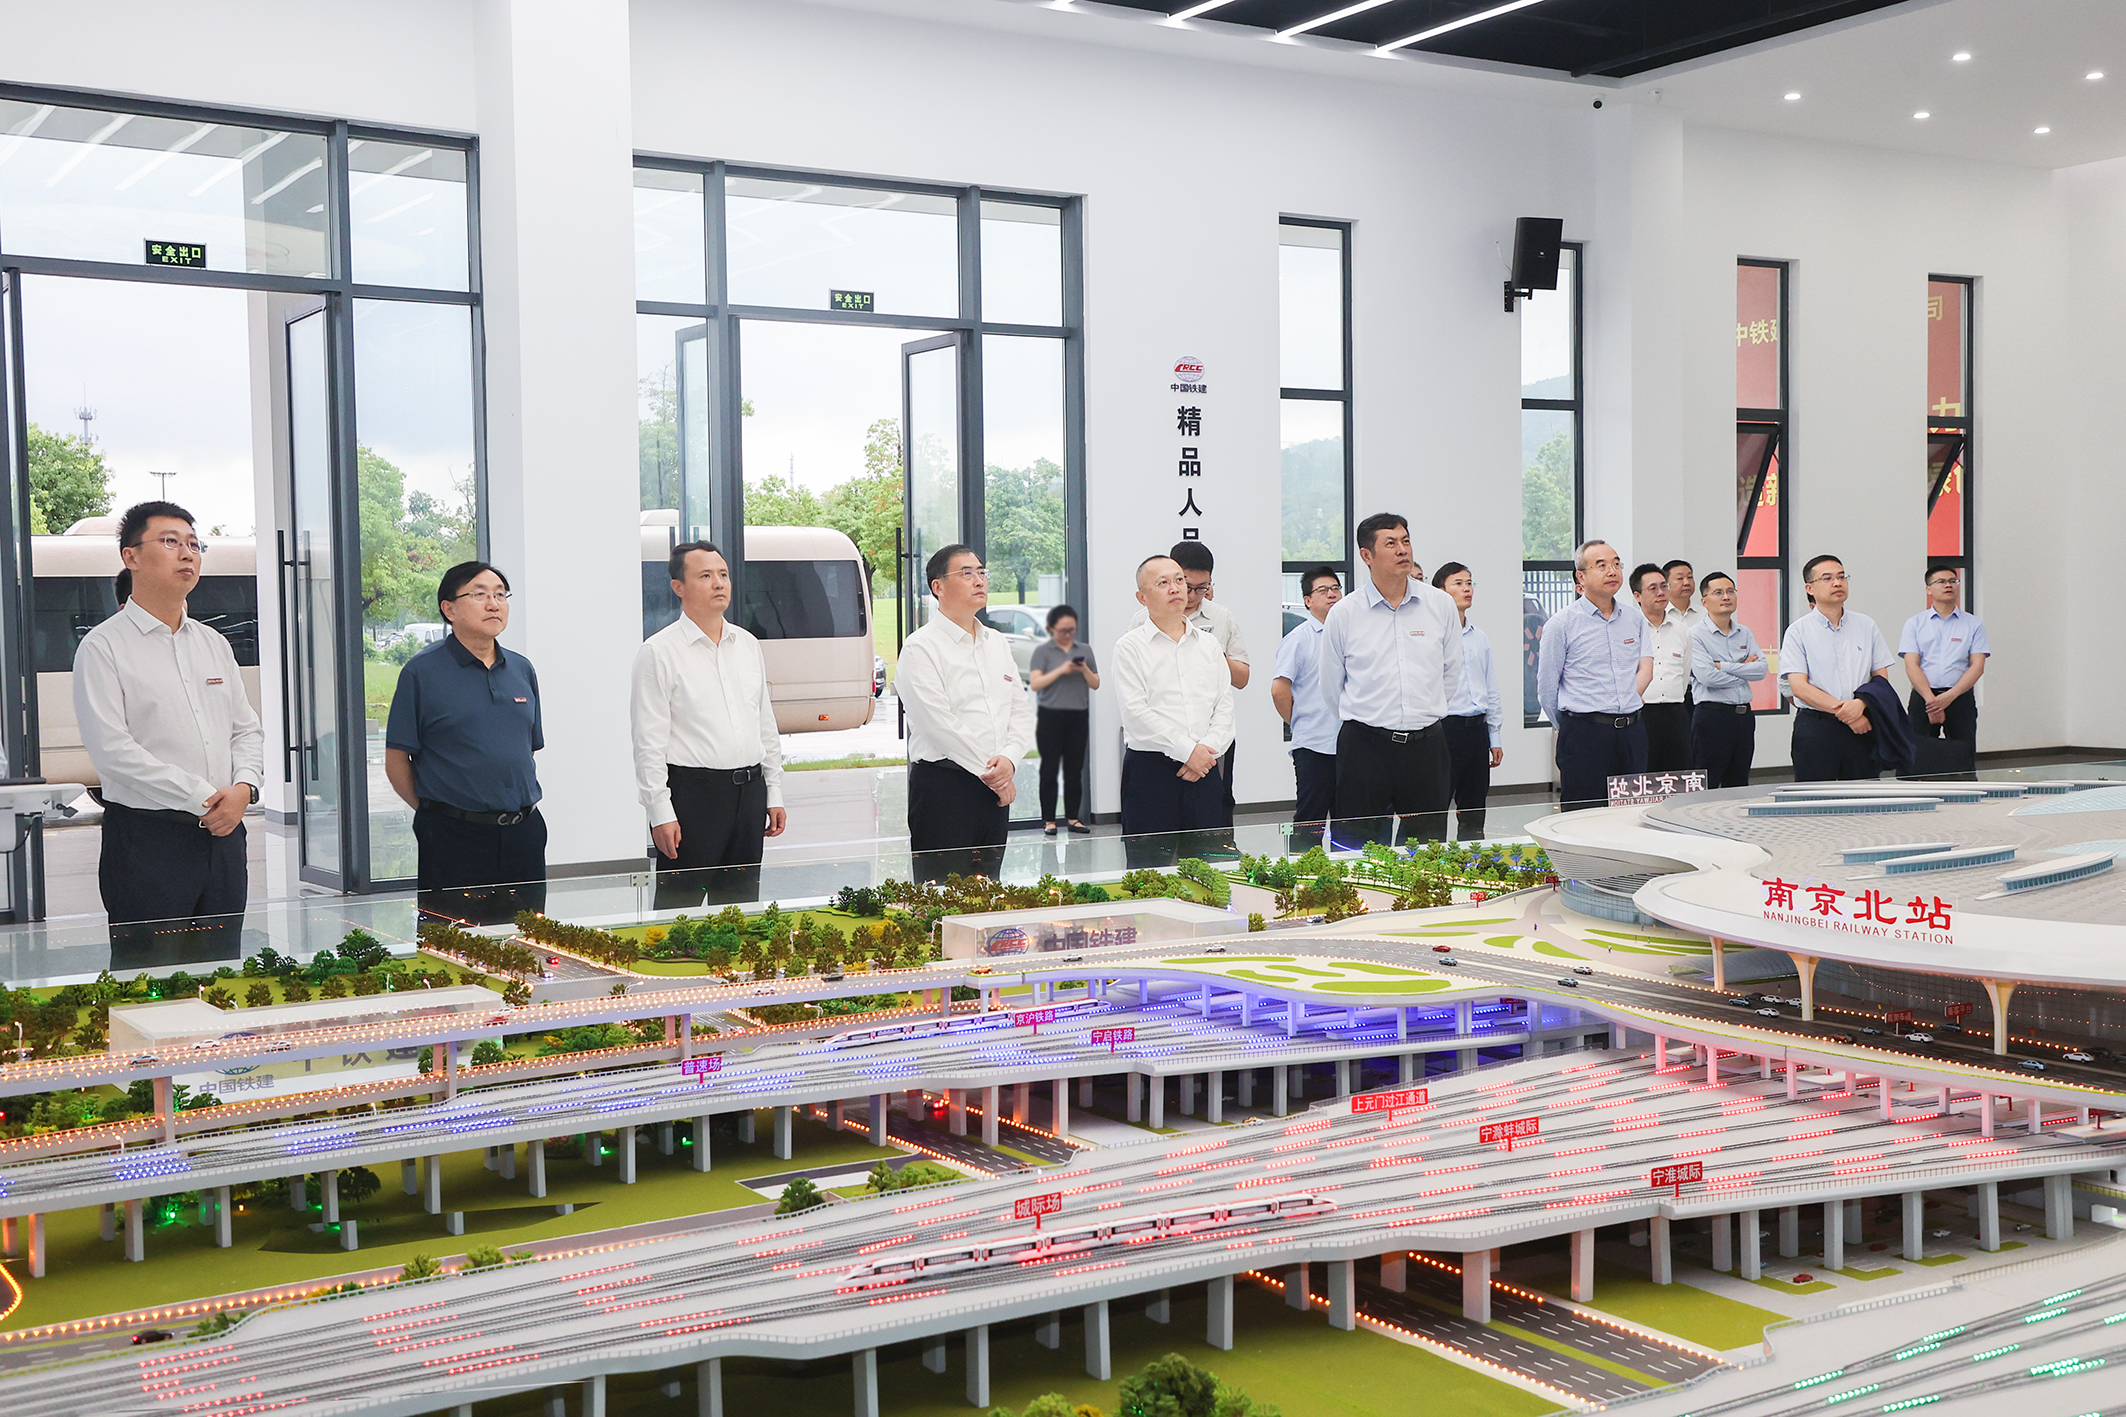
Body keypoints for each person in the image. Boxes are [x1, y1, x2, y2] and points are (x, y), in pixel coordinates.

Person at [73, 501, 262, 967]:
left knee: (221, 970)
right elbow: (113, 752)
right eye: (171, 541)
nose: (187, 553)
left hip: (223, 839)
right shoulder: (103, 647)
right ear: (131, 556)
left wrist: (245, 788)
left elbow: (246, 729)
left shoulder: (213, 643)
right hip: (149, 843)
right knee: (149, 978)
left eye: (194, 544)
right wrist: (204, 797)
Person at [385, 561, 547, 925]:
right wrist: (436, 813)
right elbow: (396, 760)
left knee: (524, 939)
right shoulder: (421, 673)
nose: (493, 604)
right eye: (479, 594)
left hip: (523, 833)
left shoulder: (521, 669)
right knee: (452, 941)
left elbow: (527, 749)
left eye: (500, 595)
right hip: (453, 836)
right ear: (449, 609)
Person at [630, 540, 786, 911]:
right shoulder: (659, 652)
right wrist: (660, 813)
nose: (719, 583)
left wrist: (774, 792)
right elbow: (648, 743)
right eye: (705, 576)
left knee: (741, 908)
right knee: (678, 912)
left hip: (749, 795)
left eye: (723, 574)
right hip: (694, 797)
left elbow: (765, 724)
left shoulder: (747, 644)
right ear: (678, 588)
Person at [1318, 513, 1466, 847]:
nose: (1402, 550)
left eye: (1405, 541)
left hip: (1427, 746)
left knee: (1427, 846)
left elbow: (1451, 671)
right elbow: (1331, 685)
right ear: (1366, 555)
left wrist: (1423, 710)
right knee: (1356, 846)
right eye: (1390, 543)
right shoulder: (1345, 613)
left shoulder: (1440, 605)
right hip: (1365, 747)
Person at [897, 544, 1034, 881]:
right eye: (967, 573)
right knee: (942, 894)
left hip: (994, 789)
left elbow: (1020, 710)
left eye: (982, 572)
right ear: (938, 587)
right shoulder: (920, 647)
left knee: (988, 889)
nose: (979, 580)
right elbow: (938, 725)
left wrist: (1010, 760)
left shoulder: (996, 642)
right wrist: (995, 776)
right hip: (945, 789)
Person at [1114, 555, 1233, 862]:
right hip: (1151, 772)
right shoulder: (1129, 647)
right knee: (1149, 867)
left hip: (1205, 767)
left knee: (1208, 866)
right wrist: (1187, 751)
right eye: (1162, 583)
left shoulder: (1208, 645)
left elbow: (1224, 705)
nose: (1175, 588)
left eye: (1179, 580)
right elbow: (1135, 714)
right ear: (1142, 597)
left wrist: (1204, 751)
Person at [1130, 541, 1248, 825]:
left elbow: (1238, 684)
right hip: (1160, 752)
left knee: (1215, 821)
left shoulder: (1219, 619)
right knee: (1156, 833)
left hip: (1211, 749)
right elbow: (1136, 706)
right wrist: (1187, 751)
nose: (1190, 594)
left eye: (1201, 588)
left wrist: (1210, 652)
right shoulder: (1138, 628)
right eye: (1184, 583)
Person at [1535, 540, 1653, 810]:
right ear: (1581, 576)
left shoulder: (1634, 619)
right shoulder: (1561, 624)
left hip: (1632, 733)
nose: (1612, 571)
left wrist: (1626, 701)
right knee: (1582, 815)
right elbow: (1546, 689)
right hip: (1585, 735)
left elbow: (1643, 668)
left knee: (1631, 813)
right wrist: (1572, 726)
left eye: (1616, 564)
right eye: (1601, 566)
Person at [1780, 553, 1898, 782]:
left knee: (1864, 795)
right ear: (1810, 588)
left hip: (1863, 724)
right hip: (1817, 727)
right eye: (1827, 578)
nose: (1837, 583)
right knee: (1814, 797)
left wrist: (1860, 705)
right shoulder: (1798, 631)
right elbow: (1800, 688)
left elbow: (1880, 678)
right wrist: (1848, 715)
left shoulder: (1866, 625)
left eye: (1842, 577)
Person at [1271, 566, 1343, 849]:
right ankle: (1303, 871)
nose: (1332, 594)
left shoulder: (1349, 634)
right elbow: (1279, 689)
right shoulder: (1299, 638)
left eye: (1335, 588)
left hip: (1352, 745)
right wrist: (1299, 721)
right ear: (1307, 600)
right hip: (1314, 745)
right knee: (1310, 821)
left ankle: (1345, 872)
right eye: (1323, 590)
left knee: (1349, 821)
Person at [1431, 563, 1502, 841]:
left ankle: (1471, 861)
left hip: (1477, 730)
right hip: (1444, 730)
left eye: (1469, 583)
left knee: (1474, 809)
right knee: (1436, 806)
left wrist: (1494, 735)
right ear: (1440, 592)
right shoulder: (1433, 636)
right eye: (1458, 583)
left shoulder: (1479, 637)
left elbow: (1490, 688)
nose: (1467, 589)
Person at [1688, 572, 1765, 788]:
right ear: (1704, 601)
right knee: (1707, 783)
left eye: (1731, 591)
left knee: (1739, 781)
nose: (1726, 597)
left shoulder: (1744, 632)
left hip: (1743, 717)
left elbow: (1761, 670)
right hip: (1712, 716)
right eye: (1718, 592)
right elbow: (1707, 677)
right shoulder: (1696, 634)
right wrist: (1743, 669)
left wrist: (1722, 665)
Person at [1028, 603, 1100, 836]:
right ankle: (1049, 820)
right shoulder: (1042, 652)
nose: (1067, 634)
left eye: (1071, 630)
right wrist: (1061, 670)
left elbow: (1096, 683)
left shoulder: (1085, 650)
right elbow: (1036, 683)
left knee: (1074, 769)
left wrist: (1083, 670)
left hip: (1078, 715)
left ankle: (1073, 818)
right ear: (1051, 628)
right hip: (1050, 716)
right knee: (1049, 769)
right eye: (1062, 630)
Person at [1900, 567, 1988, 745]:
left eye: (1953, 581)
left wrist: (1950, 696)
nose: (1948, 585)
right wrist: (1931, 701)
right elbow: (1911, 665)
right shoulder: (1915, 623)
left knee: (1963, 752)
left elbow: (1977, 666)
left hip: (1959, 697)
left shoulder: (1973, 624)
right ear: (1928, 589)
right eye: (1941, 582)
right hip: (1924, 698)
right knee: (1919, 752)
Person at [1633, 564, 1692, 771]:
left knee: (1677, 775)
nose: (1661, 592)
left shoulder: (1682, 630)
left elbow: (1685, 673)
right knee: (1642, 772)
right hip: (1641, 713)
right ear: (1638, 596)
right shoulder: (1630, 629)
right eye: (1653, 588)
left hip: (1676, 713)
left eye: (1664, 586)